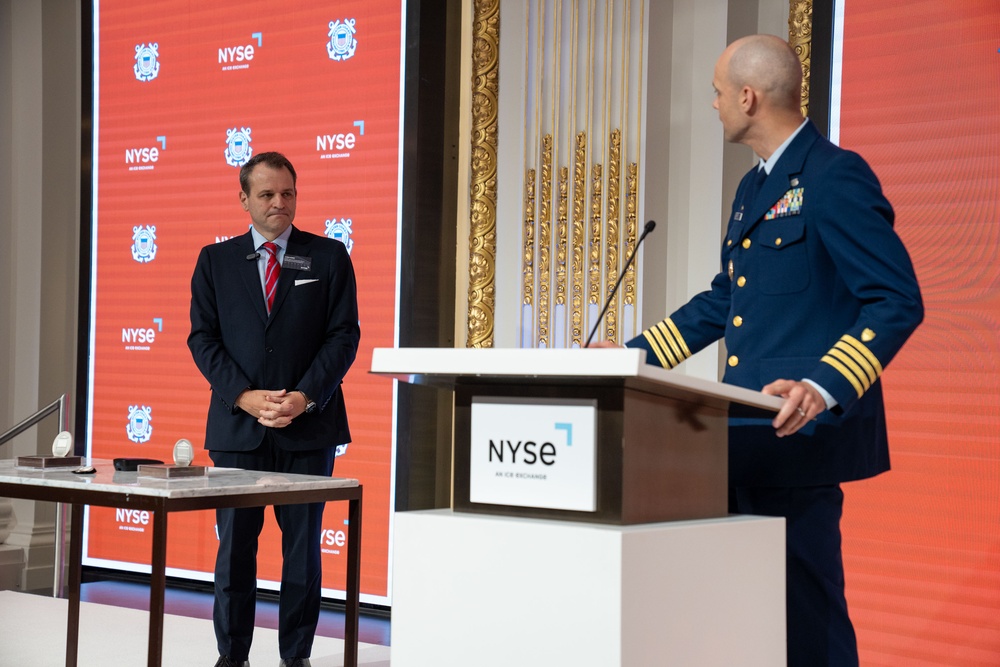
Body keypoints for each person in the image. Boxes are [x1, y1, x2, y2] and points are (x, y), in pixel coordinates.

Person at [595, 35, 923, 665]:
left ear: (748, 97)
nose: (714, 104)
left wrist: (822, 387)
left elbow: (896, 299)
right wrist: (631, 358)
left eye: (718, 92)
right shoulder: (754, 187)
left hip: (798, 436)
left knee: (806, 615)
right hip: (739, 436)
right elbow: (727, 301)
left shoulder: (835, 176)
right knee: (742, 614)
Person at [188, 151, 361, 667]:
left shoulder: (328, 257)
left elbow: (343, 336)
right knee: (235, 552)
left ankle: (296, 657)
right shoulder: (214, 262)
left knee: (303, 554)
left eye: (287, 193)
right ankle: (232, 656)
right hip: (238, 431)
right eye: (266, 194)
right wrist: (242, 395)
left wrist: (305, 397)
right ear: (243, 200)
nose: (279, 203)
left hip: (307, 430)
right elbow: (203, 339)